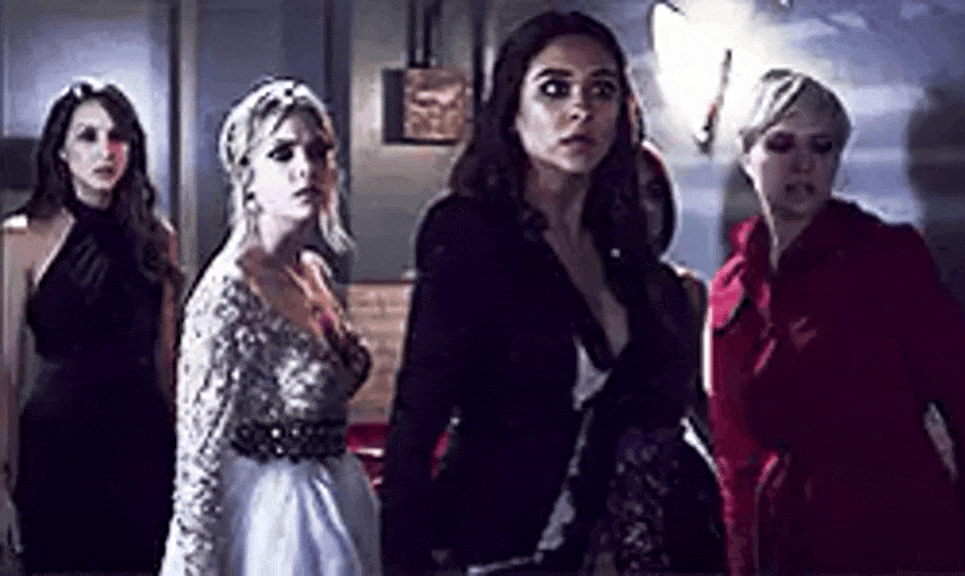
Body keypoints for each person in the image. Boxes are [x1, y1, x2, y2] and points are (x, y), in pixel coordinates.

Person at [382, 11, 710, 575]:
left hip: (602, 551)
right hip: (492, 548)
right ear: (513, 109)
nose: (581, 109)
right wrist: (404, 562)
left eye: (601, 90)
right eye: (555, 89)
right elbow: (416, 421)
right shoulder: (468, 231)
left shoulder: (620, 248)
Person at [708, 68, 965, 575]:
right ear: (749, 155)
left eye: (822, 146)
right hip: (785, 547)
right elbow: (733, 452)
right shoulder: (732, 287)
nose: (803, 164)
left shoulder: (887, 258)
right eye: (782, 143)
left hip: (895, 539)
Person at [160, 78, 379, 575]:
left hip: (339, 497)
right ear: (248, 177)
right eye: (282, 154)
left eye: (318, 152)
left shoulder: (312, 270)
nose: (306, 169)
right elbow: (198, 463)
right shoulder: (228, 293)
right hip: (276, 524)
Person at [0, 79, 180, 573]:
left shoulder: (157, 237)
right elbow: (5, 372)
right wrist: (1, 478)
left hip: (144, 447)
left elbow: (169, 363)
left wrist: (189, 463)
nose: (106, 150)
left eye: (118, 136)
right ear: (61, 151)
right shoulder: (22, 239)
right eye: (88, 136)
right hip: (59, 448)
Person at [582, 141, 725, 575]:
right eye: (629, 193)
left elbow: (695, 399)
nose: (646, 207)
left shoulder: (685, 292)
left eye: (655, 192)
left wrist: (737, 470)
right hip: (598, 494)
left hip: (677, 486)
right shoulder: (579, 290)